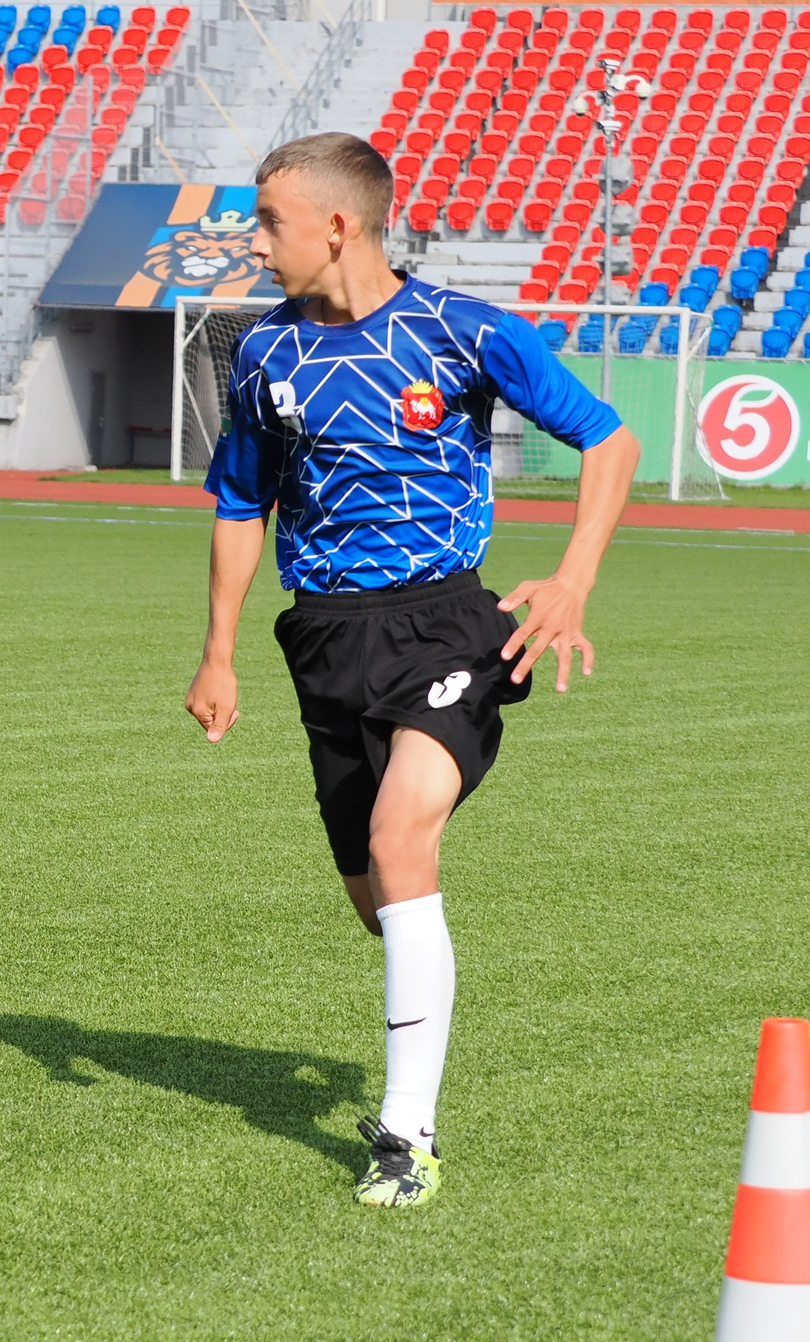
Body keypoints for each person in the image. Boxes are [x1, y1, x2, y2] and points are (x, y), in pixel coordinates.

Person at [185, 133, 637, 1207]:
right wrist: (216, 652)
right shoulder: (263, 356)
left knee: (400, 839)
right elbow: (238, 505)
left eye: (268, 223)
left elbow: (607, 439)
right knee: (376, 896)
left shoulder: (458, 330)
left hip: (449, 630)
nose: (255, 244)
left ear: (337, 225)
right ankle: (417, 1018)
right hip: (326, 639)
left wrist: (572, 578)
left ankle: (405, 1134)